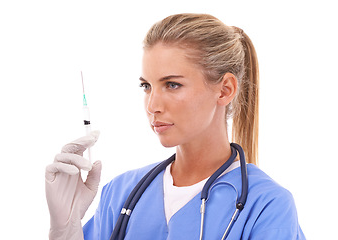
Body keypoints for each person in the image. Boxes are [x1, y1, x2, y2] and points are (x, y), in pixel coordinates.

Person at [45, 13, 305, 239]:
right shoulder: (121, 193)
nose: (152, 105)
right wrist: (64, 231)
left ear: (225, 90)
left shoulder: (266, 206)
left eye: (172, 85)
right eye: (146, 86)